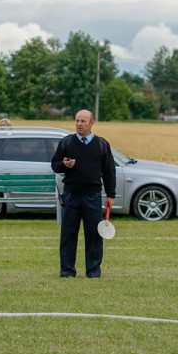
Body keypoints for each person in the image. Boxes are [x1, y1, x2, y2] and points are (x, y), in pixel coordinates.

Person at [50, 109, 116, 278]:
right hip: (71, 195)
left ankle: (93, 271)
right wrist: (64, 165)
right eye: (77, 120)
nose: (79, 124)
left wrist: (110, 194)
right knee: (68, 234)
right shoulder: (66, 143)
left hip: (92, 196)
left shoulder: (102, 144)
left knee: (94, 235)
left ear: (91, 123)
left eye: (83, 121)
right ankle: (67, 271)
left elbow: (109, 171)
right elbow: (55, 165)